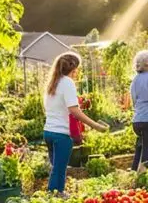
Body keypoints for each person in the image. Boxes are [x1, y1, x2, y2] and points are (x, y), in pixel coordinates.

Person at [42, 52, 108, 193]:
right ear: (73, 69)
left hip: (48, 132)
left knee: (56, 168)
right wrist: (95, 125)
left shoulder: (53, 82)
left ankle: (58, 195)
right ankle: (53, 197)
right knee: (59, 170)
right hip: (61, 135)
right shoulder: (67, 82)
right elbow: (74, 110)